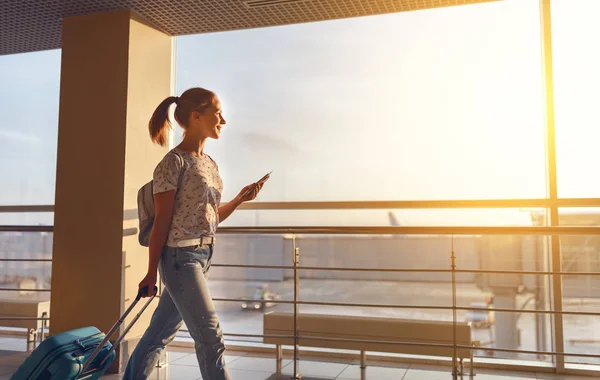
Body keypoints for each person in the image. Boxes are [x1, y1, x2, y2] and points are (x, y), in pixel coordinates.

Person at [123, 87, 263, 380]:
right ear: (197, 116)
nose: (223, 120)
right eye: (218, 113)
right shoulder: (173, 163)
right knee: (211, 336)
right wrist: (151, 272)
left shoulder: (210, 163)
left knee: (159, 333)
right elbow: (162, 221)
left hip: (203, 255)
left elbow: (210, 220)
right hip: (179, 259)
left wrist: (238, 200)